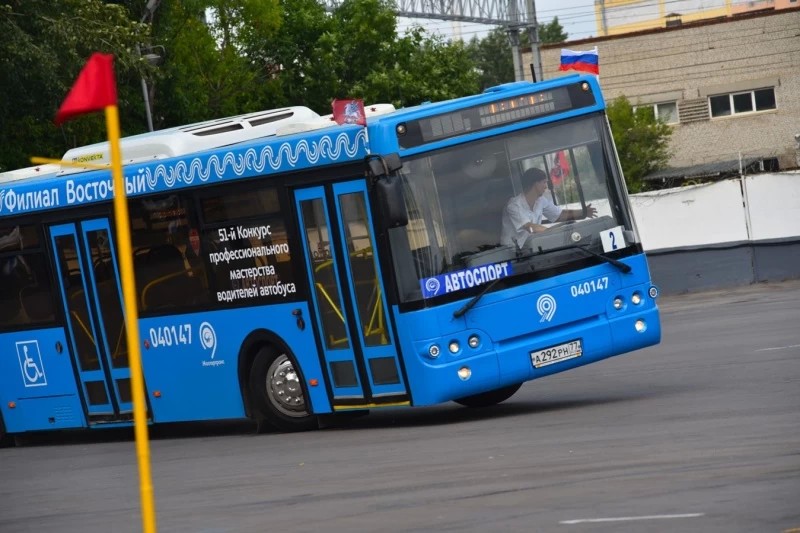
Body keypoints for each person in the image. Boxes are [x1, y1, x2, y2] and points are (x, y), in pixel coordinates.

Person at [500, 167, 597, 246]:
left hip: (529, 248)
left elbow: (559, 215)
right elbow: (530, 227)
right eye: (544, 182)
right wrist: (553, 233)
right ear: (535, 183)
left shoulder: (541, 200)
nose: (546, 186)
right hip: (511, 255)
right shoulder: (514, 205)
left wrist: (583, 212)